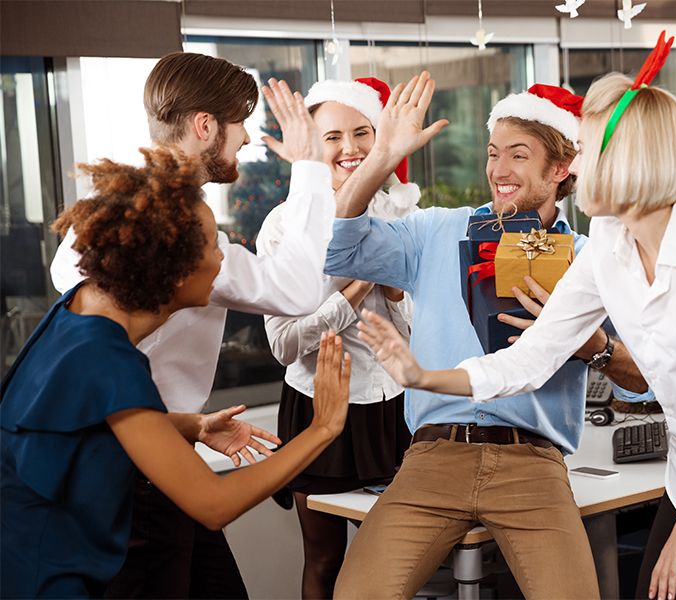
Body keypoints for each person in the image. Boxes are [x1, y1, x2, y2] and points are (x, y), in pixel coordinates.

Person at [357, 39, 676, 600]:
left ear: (630, 160)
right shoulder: (607, 242)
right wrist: (424, 377)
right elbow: (534, 355)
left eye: (584, 149)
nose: (571, 168)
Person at [48, 53, 438, 599]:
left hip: (160, 441)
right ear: (205, 125)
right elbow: (297, 292)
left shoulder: (120, 211)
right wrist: (305, 165)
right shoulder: (173, 235)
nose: (247, 138)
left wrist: (189, 425)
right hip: (128, 473)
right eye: (240, 124)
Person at [324, 73, 650, 598]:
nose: (499, 170)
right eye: (493, 153)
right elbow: (343, 249)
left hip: (534, 465)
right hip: (432, 458)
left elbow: (644, 381)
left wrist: (592, 346)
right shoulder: (435, 230)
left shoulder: (593, 259)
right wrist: (382, 154)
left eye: (518, 156)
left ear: (561, 168)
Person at [0, 148, 352, 599]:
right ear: (169, 267)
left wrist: (189, 426)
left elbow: (77, 423)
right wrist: (323, 428)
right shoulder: (108, 360)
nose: (223, 260)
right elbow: (213, 503)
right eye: (211, 246)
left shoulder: (75, 311)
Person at [256, 77, 418, 599]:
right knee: (325, 561)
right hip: (315, 405)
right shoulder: (284, 226)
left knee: (391, 569)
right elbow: (283, 346)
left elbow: (424, 332)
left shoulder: (406, 219)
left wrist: (394, 291)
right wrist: (354, 292)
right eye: (332, 137)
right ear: (311, 145)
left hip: (393, 409)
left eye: (362, 133)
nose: (349, 149)